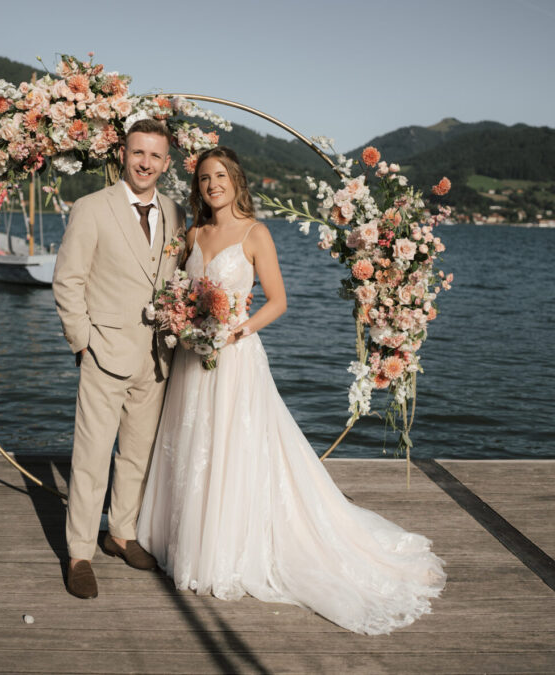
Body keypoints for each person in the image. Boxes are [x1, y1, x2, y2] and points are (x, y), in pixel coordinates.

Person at [136, 146, 446, 635]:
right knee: (193, 446)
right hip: (192, 361)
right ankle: (187, 538)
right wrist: (182, 316)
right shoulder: (193, 233)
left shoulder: (256, 234)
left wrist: (237, 329)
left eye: (219, 176)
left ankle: (229, 547)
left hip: (235, 357)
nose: (211, 184)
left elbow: (278, 301)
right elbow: (179, 292)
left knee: (235, 449)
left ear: (236, 181)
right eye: (203, 179)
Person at [52, 119, 187, 599]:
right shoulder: (91, 208)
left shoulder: (174, 211)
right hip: (104, 353)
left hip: (156, 358)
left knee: (137, 455)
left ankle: (120, 535)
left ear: (166, 164)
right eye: (138, 153)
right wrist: (82, 342)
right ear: (123, 155)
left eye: (155, 156)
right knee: (90, 459)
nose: (145, 163)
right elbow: (68, 280)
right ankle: (80, 553)